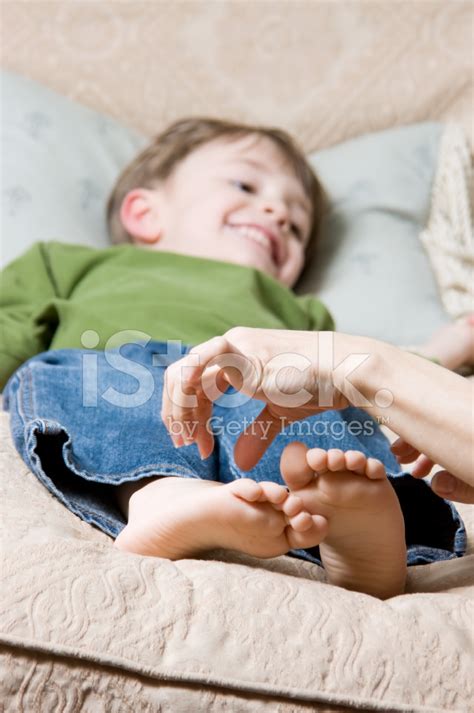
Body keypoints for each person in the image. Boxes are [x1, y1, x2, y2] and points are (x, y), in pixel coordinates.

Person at [1, 118, 469, 600]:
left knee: (317, 418)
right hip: (122, 371)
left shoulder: (302, 311)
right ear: (145, 213)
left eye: (296, 224)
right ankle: (162, 496)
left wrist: (443, 350)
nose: (276, 212)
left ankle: (352, 528)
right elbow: (9, 327)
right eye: (245, 185)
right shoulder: (68, 262)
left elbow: (366, 375)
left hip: (259, 391)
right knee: (76, 379)